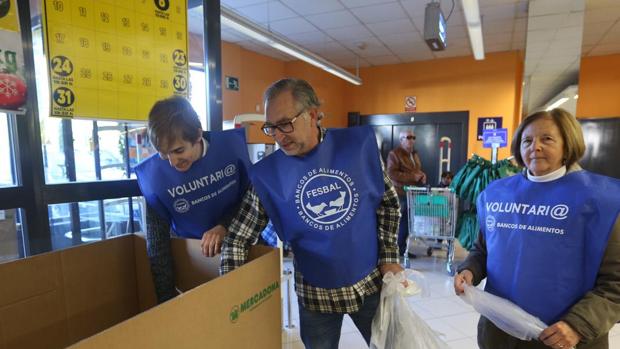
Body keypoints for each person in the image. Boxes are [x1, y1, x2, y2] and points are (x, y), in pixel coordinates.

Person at [220, 78, 403, 349]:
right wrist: (229, 296)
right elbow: (237, 238)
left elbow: (388, 204)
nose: (279, 136)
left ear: (314, 115)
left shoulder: (358, 150)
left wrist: (389, 257)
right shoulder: (269, 176)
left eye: (286, 123)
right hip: (315, 295)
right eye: (271, 127)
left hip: (370, 284)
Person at [453, 108, 620, 349]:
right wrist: (469, 269)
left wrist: (578, 325)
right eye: (527, 140)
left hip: (563, 336)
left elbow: (615, 283)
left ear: (568, 145)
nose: (535, 147)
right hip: (501, 333)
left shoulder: (599, 202)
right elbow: (483, 249)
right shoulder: (498, 194)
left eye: (547, 139)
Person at [134, 96, 251, 303]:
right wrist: (167, 301)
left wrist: (224, 225)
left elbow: (250, 201)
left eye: (179, 151)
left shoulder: (230, 150)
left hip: (240, 249)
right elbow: (157, 245)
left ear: (197, 135)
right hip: (191, 261)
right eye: (163, 154)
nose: (172, 162)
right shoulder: (155, 179)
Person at [386, 130, 427, 256]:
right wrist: (412, 176)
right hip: (400, 193)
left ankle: (402, 249)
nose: (412, 140)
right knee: (400, 223)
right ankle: (398, 249)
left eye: (413, 137)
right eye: (408, 137)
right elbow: (391, 173)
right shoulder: (394, 154)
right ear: (401, 139)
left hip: (412, 193)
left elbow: (416, 171)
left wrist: (421, 175)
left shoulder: (414, 154)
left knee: (408, 223)